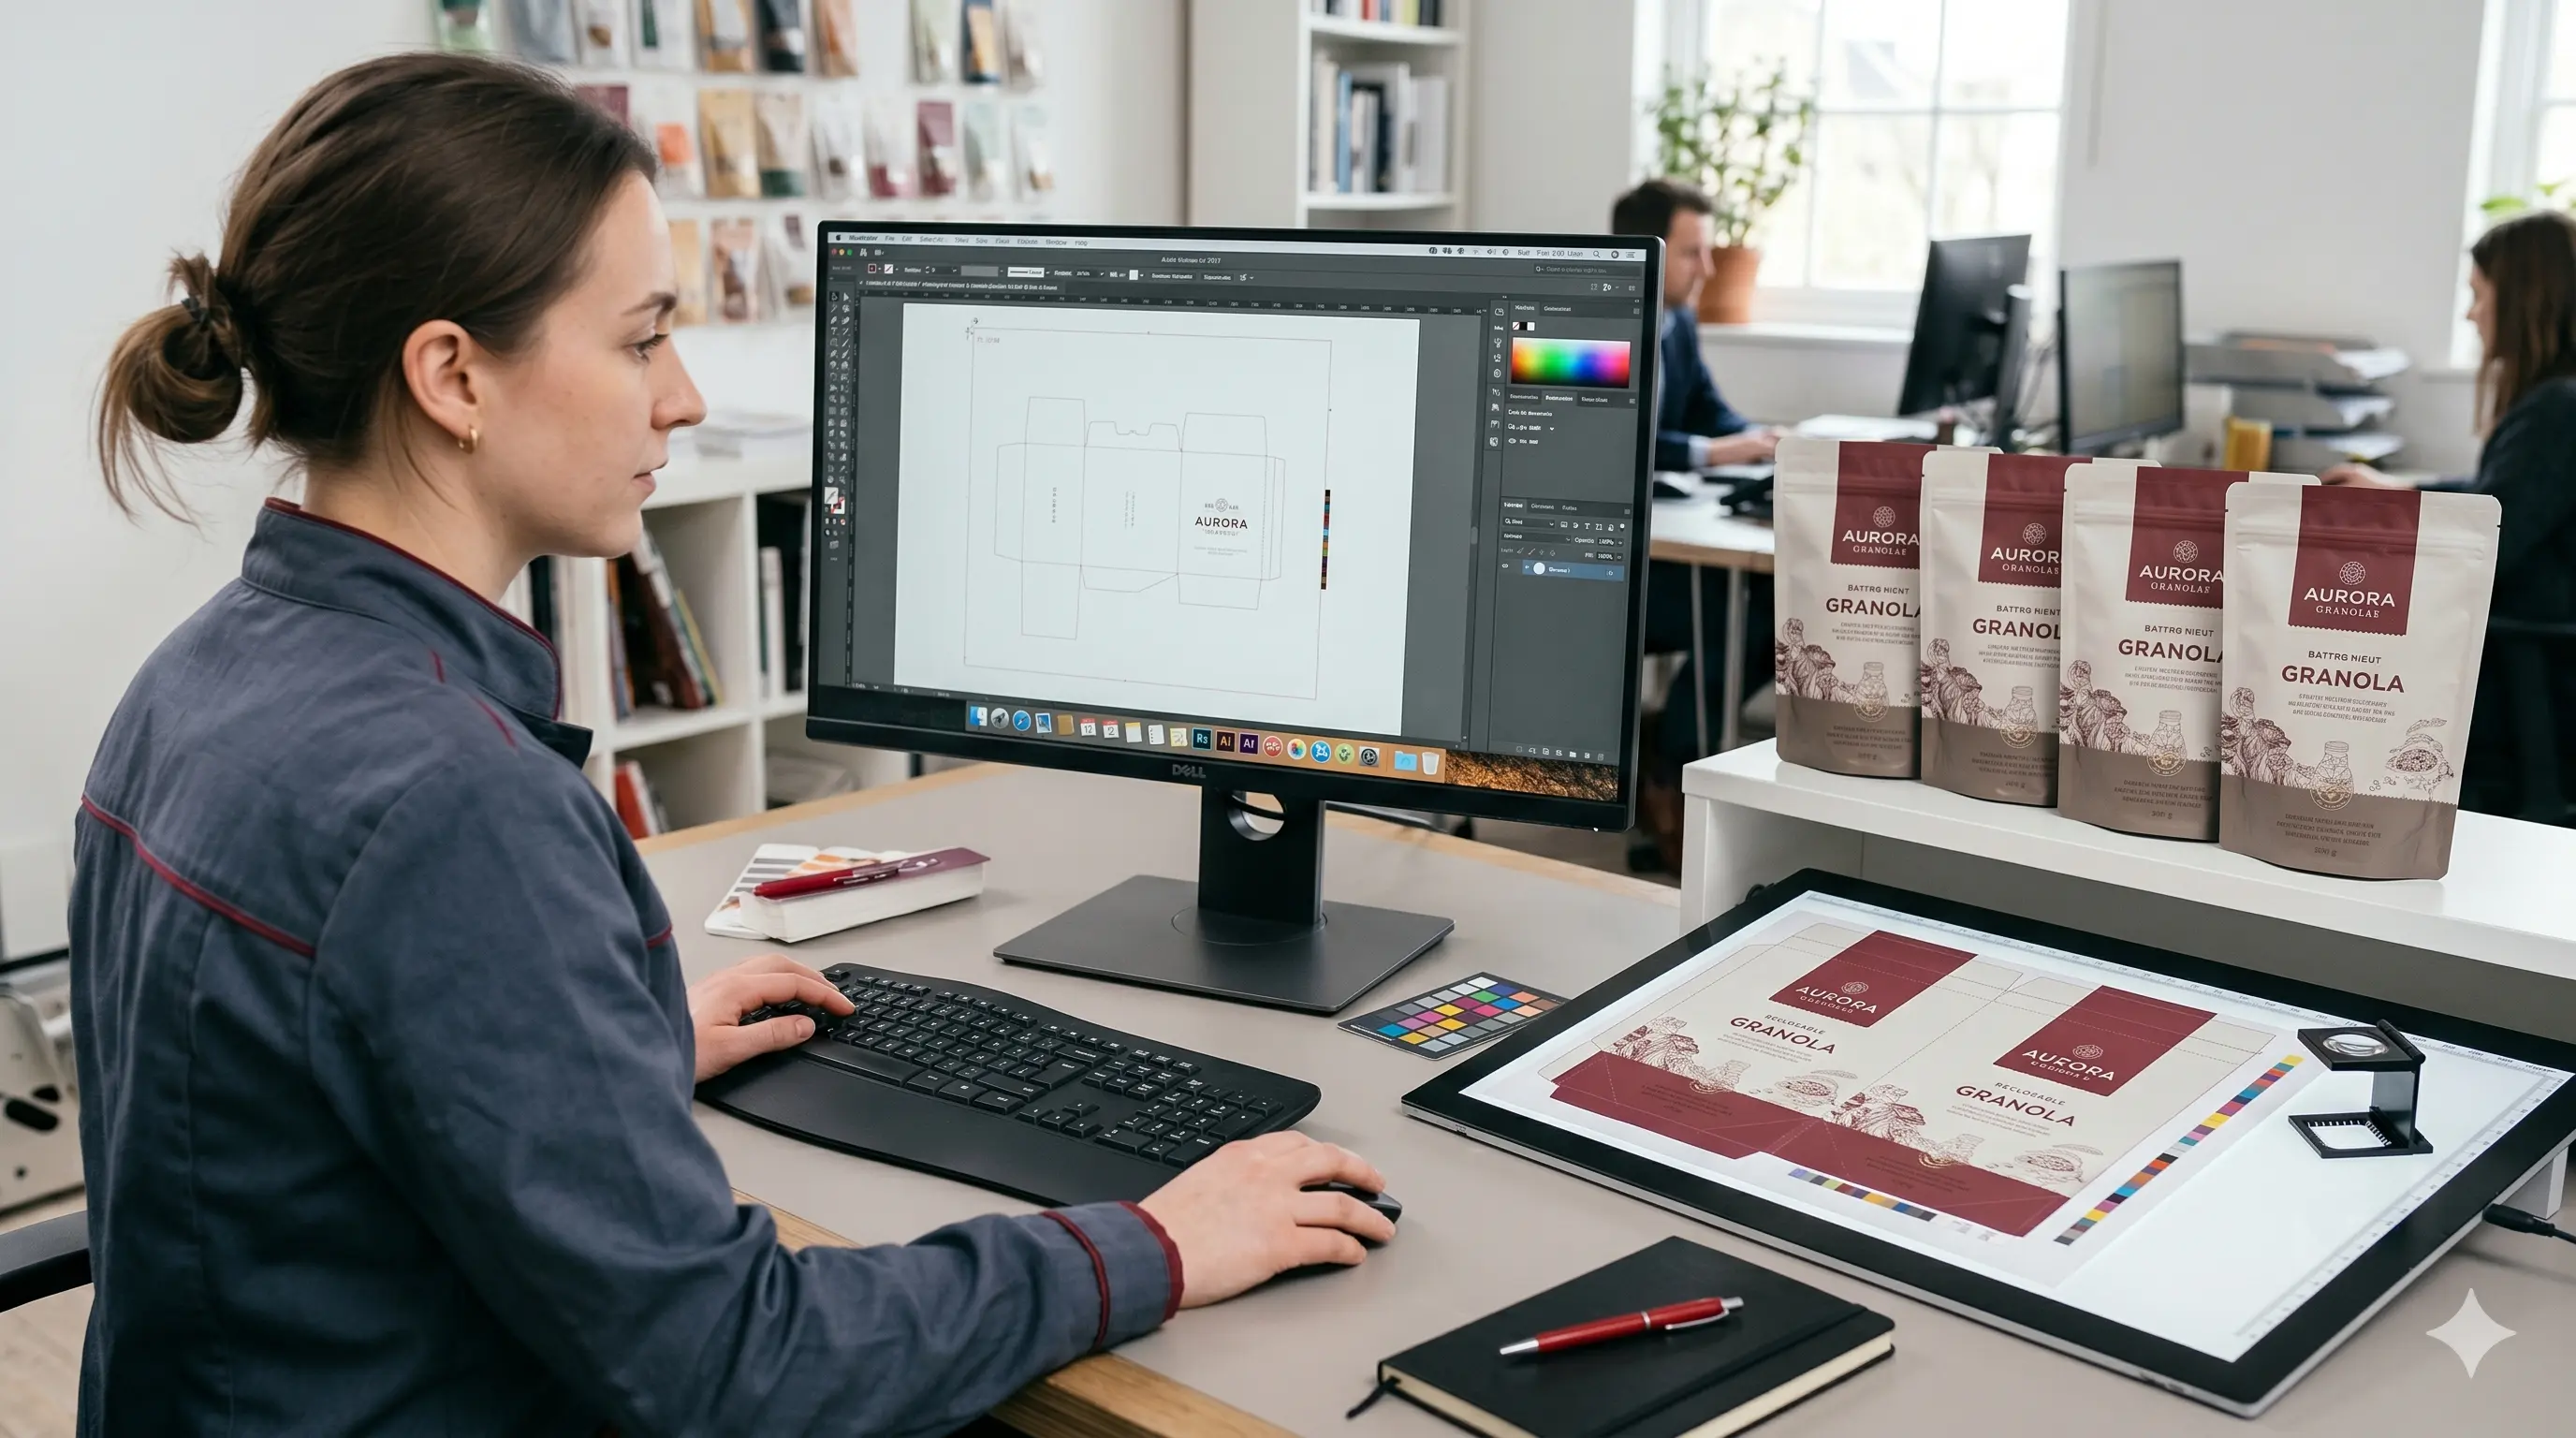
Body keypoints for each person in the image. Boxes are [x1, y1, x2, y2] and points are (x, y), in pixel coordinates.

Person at [72, 53, 1393, 1436]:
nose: (684, 396)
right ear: (453, 375)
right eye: (643, 338)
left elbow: (295, 1134)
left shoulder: (198, 675)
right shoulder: (453, 804)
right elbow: (732, 1370)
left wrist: (602, 1064)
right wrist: (1159, 1244)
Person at [2320, 208, 2576, 816]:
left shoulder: (2555, 412)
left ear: (2521, 301)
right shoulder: (2558, 401)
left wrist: (2375, 531)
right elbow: (2500, 497)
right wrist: (2403, 494)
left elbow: (2490, 543)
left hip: (2525, 670)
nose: (2470, 314)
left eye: (2478, 295)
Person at [1612, 179, 1777, 867]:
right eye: (1692, 253)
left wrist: (1765, 439)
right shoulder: (1601, 325)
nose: (1706, 269)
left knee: (1770, 596)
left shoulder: (1677, 320)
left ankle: (1672, 754)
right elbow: (1625, 438)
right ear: (1643, 250)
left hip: (1667, 548)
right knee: (1733, 604)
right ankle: (1672, 777)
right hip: (1610, 575)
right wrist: (1716, 452)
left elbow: (1708, 409)